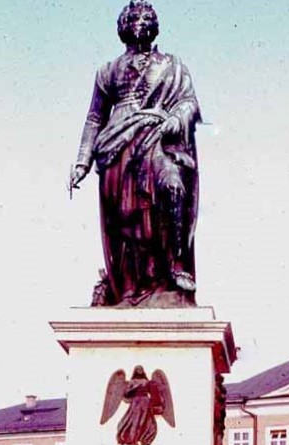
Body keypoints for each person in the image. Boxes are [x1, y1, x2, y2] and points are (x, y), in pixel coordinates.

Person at [71, 0, 201, 307]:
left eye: (145, 18)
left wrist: (176, 118)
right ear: (123, 27)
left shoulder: (172, 65)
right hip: (116, 147)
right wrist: (82, 162)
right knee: (124, 220)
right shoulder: (108, 71)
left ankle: (175, 266)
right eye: (132, 19)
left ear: (154, 25)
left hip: (156, 136)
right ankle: (129, 288)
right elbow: (94, 118)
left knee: (172, 187)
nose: (138, 23)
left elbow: (189, 103)